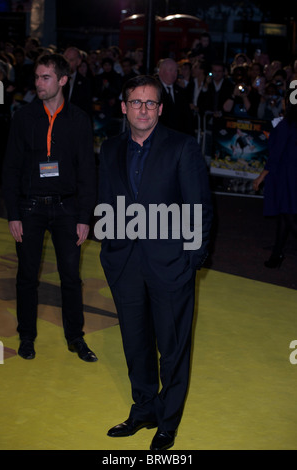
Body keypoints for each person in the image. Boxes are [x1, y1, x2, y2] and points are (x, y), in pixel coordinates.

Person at [97, 75, 213, 450]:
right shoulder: (110, 148)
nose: (143, 109)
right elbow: (106, 200)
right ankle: (144, 408)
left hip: (170, 265)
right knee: (136, 342)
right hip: (125, 264)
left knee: (173, 347)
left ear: (160, 109)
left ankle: (168, 421)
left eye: (150, 103)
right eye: (135, 102)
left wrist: (191, 261)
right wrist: (109, 250)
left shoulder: (182, 147)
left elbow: (199, 207)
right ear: (124, 107)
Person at [2, 53, 98, 362]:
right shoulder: (24, 117)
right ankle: (26, 336)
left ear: (62, 80)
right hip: (30, 209)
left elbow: (87, 172)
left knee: (71, 277)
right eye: (37, 77)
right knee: (27, 276)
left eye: (45, 77)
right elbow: (11, 169)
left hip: (67, 210)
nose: (39, 83)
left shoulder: (80, 120)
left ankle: (76, 337)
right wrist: (13, 214)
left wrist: (85, 218)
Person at [252, 99, 297, 268]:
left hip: (285, 176)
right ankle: (276, 254)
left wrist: (261, 177)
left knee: (289, 218)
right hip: (290, 175)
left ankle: (276, 254)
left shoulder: (287, 125)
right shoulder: (289, 124)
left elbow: (276, 155)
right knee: (285, 216)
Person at [157, 58, 194, 135]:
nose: (174, 74)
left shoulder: (181, 91)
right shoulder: (153, 89)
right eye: (170, 70)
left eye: (176, 71)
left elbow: (187, 117)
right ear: (161, 71)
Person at [63, 46, 93, 119]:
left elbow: (87, 108)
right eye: (65, 59)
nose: (67, 63)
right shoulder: (54, 79)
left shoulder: (85, 83)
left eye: (71, 60)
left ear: (78, 62)